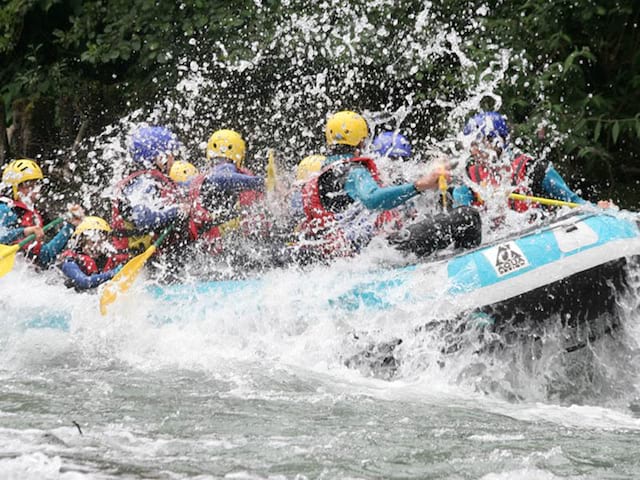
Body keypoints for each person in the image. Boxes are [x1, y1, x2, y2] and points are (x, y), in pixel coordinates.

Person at [299, 110, 481, 258]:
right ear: (362, 141)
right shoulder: (353, 172)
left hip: (354, 255)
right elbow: (372, 199)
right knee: (467, 217)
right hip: (378, 252)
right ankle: (468, 269)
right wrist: (420, 185)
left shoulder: (324, 173)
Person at [452, 111, 611, 213]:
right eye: (473, 144)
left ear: (500, 141)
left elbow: (574, 202)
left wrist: (596, 209)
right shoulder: (466, 181)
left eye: (481, 142)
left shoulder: (535, 170)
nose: (476, 150)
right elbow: (462, 220)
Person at [111, 125, 186, 256]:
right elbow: (142, 218)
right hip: (140, 261)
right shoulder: (144, 183)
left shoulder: (150, 180)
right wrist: (177, 211)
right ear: (159, 158)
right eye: (170, 154)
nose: (173, 159)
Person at [1, 158, 84, 269]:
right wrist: (24, 232)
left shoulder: (34, 216)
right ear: (14, 188)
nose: (35, 190)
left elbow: (45, 256)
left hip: (26, 277)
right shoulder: (4, 209)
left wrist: (70, 226)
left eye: (36, 184)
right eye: (28, 185)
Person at [187, 129, 265, 244]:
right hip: (221, 243)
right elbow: (222, 177)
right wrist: (261, 182)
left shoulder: (200, 178)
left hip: (206, 243)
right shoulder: (227, 171)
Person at [59, 216, 128, 290]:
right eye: (92, 242)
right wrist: (113, 273)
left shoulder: (106, 259)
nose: (96, 246)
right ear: (81, 242)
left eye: (100, 242)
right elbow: (85, 282)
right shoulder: (69, 263)